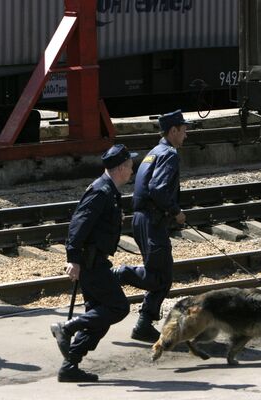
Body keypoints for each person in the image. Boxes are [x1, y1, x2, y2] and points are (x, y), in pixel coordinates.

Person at [50, 144, 136, 382]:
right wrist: (73, 259)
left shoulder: (109, 190)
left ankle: (70, 366)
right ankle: (66, 328)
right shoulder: (101, 191)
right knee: (118, 307)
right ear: (119, 168)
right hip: (91, 264)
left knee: (100, 317)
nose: (132, 170)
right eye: (130, 166)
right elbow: (77, 226)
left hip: (96, 262)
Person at [113, 109, 189, 343]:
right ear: (173, 130)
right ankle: (120, 274)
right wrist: (176, 211)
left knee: (160, 274)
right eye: (183, 130)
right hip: (152, 220)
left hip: (142, 219)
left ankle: (144, 324)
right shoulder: (169, 154)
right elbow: (157, 188)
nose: (186, 134)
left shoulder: (154, 152)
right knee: (161, 276)